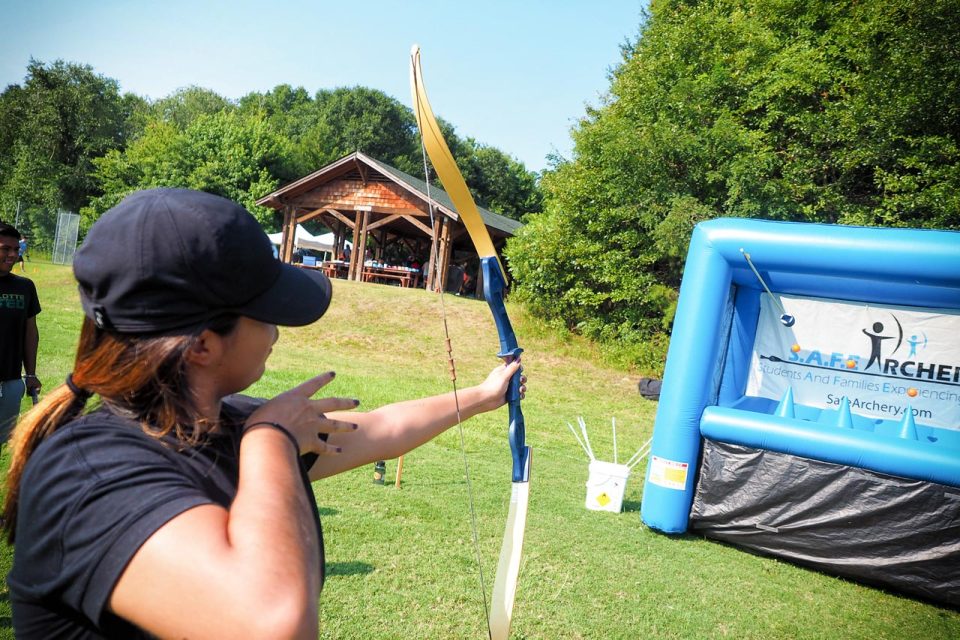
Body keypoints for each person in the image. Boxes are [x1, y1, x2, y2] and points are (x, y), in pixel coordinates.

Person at [3, 188, 525, 639]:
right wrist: (273, 439)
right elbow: (274, 623)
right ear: (203, 344)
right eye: (266, 312)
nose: (278, 328)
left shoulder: (225, 424)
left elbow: (381, 429)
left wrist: (485, 394)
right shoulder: (87, 471)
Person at [0, 223, 41, 450]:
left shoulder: (24, 287)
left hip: (10, 382)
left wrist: (31, 373)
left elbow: (30, 333)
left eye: (16, 250)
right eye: (6, 249)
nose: (13, 255)